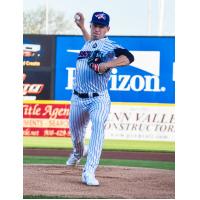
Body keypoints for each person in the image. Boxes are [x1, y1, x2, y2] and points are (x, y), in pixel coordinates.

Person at [66, 11, 134, 186]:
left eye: (101, 26)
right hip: (78, 99)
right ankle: (78, 152)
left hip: (99, 98)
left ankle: (89, 171)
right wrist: (82, 27)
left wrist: (106, 64)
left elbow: (128, 57)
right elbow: (91, 43)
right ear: (91, 26)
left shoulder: (108, 45)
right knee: (76, 136)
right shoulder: (89, 44)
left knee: (98, 126)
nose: (97, 29)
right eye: (94, 25)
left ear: (107, 29)